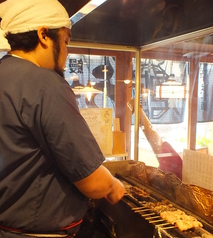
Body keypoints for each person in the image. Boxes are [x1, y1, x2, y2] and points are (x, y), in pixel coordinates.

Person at [0, 0, 125, 237]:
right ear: (44, 35)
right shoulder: (44, 84)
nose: (67, 53)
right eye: (66, 41)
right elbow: (92, 181)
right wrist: (112, 184)